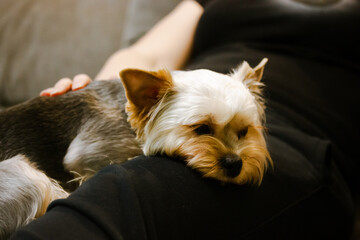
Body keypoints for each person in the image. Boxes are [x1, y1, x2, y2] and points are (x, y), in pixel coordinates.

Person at [12, 0, 359, 239]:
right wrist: (89, 98)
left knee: (131, 195)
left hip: (304, 137)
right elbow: (146, 55)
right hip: (187, 111)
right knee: (124, 186)